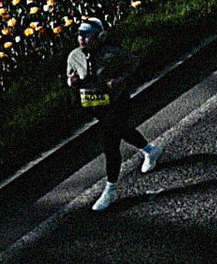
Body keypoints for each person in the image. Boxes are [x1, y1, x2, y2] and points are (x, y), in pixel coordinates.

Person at [66, 18, 159, 211]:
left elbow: (134, 62)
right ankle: (150, 150)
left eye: (87, 36)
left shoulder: (112, 54)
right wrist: (72, 81)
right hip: (96, 105)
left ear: (99, 37)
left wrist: (120, 79)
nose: (82, 39)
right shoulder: (74, 56)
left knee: (110, 143)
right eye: (80, 35)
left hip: (117, 102)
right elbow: (71, 75)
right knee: (123, 131)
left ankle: (110, 189)